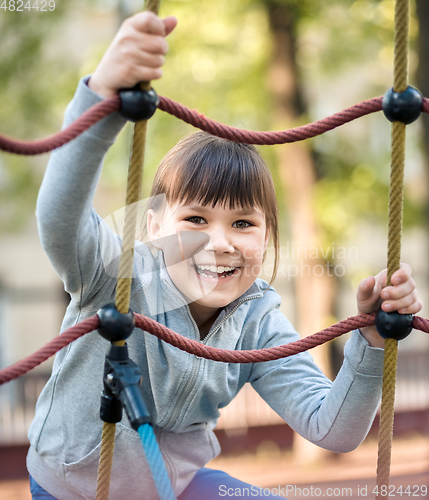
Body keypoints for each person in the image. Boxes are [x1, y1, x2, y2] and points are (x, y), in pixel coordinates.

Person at [27, 11, 422, 500]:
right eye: (195, 220)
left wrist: (371, 340)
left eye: (243, 224)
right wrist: (102, 96)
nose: (220, 242)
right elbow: (60, 219)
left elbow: (333, 429)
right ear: (154, 227)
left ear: (267, 238)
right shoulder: (118, 276)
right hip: (73, 489)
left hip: (178, 487)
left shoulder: (256, 318)